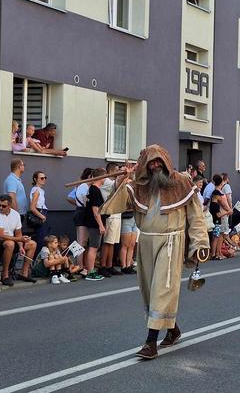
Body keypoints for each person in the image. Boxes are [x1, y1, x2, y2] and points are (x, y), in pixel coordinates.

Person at [101, 145, 210, 360]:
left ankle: (151, 343)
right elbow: (114, 204)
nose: (155, 165)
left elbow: (196, 216)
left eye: (159, 161)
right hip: (146, 242)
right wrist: (122, 180)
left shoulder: (181, 182)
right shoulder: (139, 185)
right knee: (151, 291)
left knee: (163, 288)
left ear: (166, 162)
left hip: (171, 241)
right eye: (151, 162)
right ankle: (172, 329)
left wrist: (199, 243)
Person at [0, 195, 37, 286]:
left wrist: (21, 246)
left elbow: (18, 232)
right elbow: (1, 236)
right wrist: (19, 239)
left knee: (32, 244)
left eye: (3, 206)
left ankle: (24, 272)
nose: (0, 207)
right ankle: (5, 274)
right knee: (10, 244)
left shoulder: (15, 214)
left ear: (9, 205)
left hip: (11, 239)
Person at [84, 168, 108, 281]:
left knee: (92, 247)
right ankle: (90, 272)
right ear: (101, 177)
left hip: (92, 222)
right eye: (105, 176)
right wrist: (101, 225)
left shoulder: (91, 189)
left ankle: (90, 270)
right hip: (94, 223)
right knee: (93, 247)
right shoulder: (95, 190)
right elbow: (95, 210)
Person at [67, 167, 92, 273]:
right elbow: (85, 200)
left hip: (81, 212)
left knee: (83, 241)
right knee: (81, 241)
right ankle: (79, 265)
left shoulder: (83, 185)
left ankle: (81, 264)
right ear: (89, 176)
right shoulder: (83, 186)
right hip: (82, 213)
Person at [100, 164, 123, 277]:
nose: (119, 172)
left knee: (113, 243)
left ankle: (110, 265)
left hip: (117, 215)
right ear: (111, 171)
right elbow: (118, 184)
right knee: (107, 242)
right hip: (110, 215)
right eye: (117, 170)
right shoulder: (106, 182)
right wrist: (125, 174)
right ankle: (103, 266)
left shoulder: (113, 182)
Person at [28, 171, 50, 255]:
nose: (44, 179)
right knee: (41, 239)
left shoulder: (40, 190)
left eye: (45, 178)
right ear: (35, 179)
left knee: (42, 238)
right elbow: (32, 207)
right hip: (40, 215)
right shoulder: (36, 190)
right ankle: (37, 260)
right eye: (41, 178)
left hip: (42, 213)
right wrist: (42, 216)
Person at [4, 158, 28, 230]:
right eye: (23, 165)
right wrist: (16, 213)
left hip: (19, 213)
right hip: (15, 214)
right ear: (19, 166)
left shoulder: (15, 179)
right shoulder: (12, 180)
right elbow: (11, 197)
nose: (24, 167)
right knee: (16, 235)